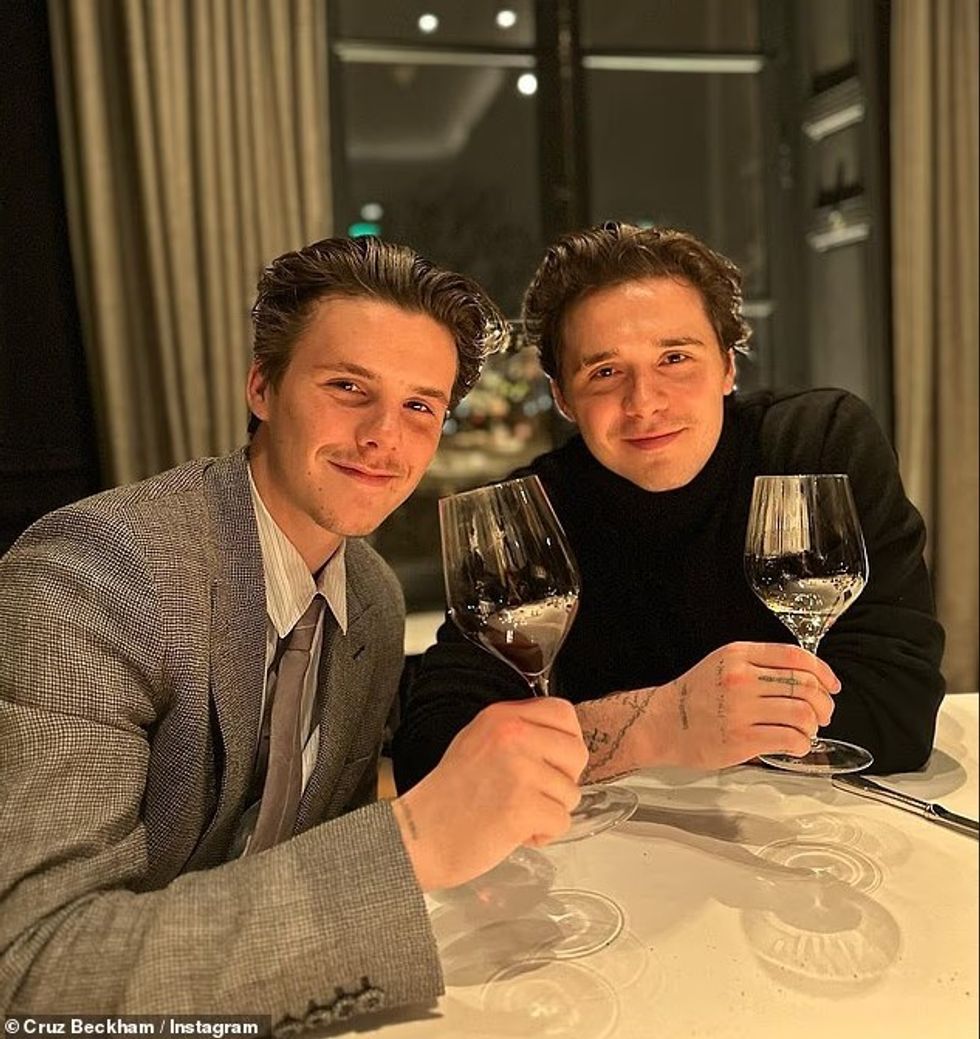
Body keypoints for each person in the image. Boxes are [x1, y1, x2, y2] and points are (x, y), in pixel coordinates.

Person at [0, 237, 588, 1024]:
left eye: (420, 406)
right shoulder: (95, 576)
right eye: (348, 386)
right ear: (262, 387)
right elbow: (33, 977)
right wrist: (413, 842)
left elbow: (308, 857)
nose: (384, 436)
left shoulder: (372, 598)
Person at [392, 222, 945, 796]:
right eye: (605, 372)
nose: (645, 402)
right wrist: (658, 723)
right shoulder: (532, 518)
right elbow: (433, 756)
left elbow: (896, 710)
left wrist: (596, 736)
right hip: (608, 846)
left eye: (675, 358)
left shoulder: (814, 449)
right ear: (562, 398)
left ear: (728, 367)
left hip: (812, 831)